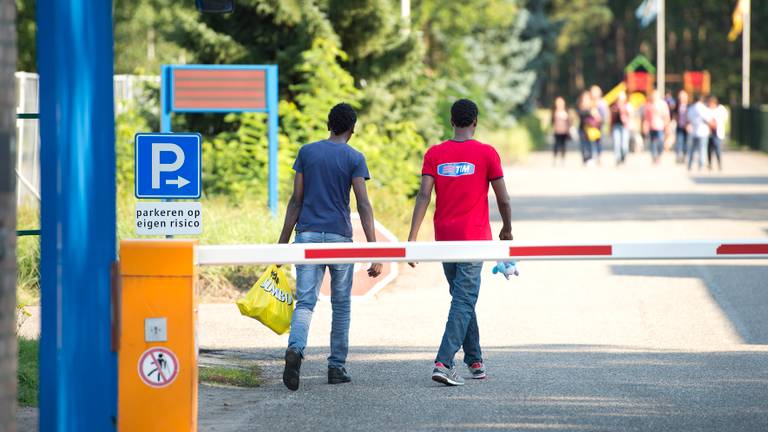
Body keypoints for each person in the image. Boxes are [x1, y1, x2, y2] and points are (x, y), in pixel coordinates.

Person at [277, 102, 383, 391]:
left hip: (308, 237)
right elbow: (363, 204)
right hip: (339, 239)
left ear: (328, 124)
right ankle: (336, 367)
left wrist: (281, 245)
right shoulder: (354, 158)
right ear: (352, 129)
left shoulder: (307, 152)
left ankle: (296, 350)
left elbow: (296, 201)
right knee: (341, 305)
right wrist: (374, 250)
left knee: (306, 302)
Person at [407, 99, 513, 386]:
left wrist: (412, 238)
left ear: (451, 121)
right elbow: (503, 198)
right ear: (475, 122)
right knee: (464, 299)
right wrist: (507, 229)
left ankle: (475, 360)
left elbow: (423, 197)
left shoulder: (434, 154)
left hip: (445, 238)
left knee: (461, 299)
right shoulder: (487, 153)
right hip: (474, 239)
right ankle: (443, 362)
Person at [643, 89, 671, 164]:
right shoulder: (648, 105)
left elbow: (666, 116)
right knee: (652, 143)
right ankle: (654, 156)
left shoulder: (663, 104)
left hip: (660, 126)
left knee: (660, 142)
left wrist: (667, 125)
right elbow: (646, 118)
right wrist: (645, 126)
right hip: (651, 126)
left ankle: (659, 154)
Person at [686, 94, 712, 171]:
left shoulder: (691, 108)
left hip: (694, 131)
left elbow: (688, 119)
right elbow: (708, 118)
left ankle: (690, 164)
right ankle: (701, 165)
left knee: (692, 149)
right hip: (703, 131)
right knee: (702, 148)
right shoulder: (703, 108)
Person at [577, 91, 600, 165]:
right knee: (583, 144)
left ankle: (590, 157)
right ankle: (585, 158)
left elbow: (597, 117)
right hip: (582, 129)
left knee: (590, 144)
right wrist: (589, 112)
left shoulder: (593, 107)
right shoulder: (580, 107)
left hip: (590, 129)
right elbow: (580, 114)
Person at [610, 90, 631, 165]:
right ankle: (617, 158)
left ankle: (623, 155)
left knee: (624, 144)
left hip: (624, 126)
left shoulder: (627, 106)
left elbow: (630, 116)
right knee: (617, 142)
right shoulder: (614, 107)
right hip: (616, 126)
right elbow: (611, 118)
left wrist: (623, 109)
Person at [707, 95, 728, 171]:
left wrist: (716, 122)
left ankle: (719, 163)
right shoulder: (707, 110)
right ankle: (709, 164)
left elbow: (725, 118)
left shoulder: (720, 109)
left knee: (717, 149)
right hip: (709, 133)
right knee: (709, 150)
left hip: (717, 133)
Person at [590, 85, 608, 164]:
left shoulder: (602, 102)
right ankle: (593, 156)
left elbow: (605, 114)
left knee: (599, 142)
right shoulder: (589, 101)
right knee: (592, 141)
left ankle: (599, 156)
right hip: (591, 126)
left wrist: (602, 119)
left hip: (599, 125)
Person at [673, 90, 690, 164]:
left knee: (686, 143)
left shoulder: (689, 106)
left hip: (687, 127)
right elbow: (674, 115)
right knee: (679, 142)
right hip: (679, 126)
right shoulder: (677, 106)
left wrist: (688, 124)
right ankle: (678, 156)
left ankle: (684, 156)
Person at [551, 96, 570, 164]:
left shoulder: (566, 111)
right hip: (557, 131)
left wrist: (568, 129)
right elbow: (552, 121)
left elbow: (568, 121)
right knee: (556, 145)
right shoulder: (554, 112)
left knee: (563, 145)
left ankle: (563, 158)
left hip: (564, 131)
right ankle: (555, 158)